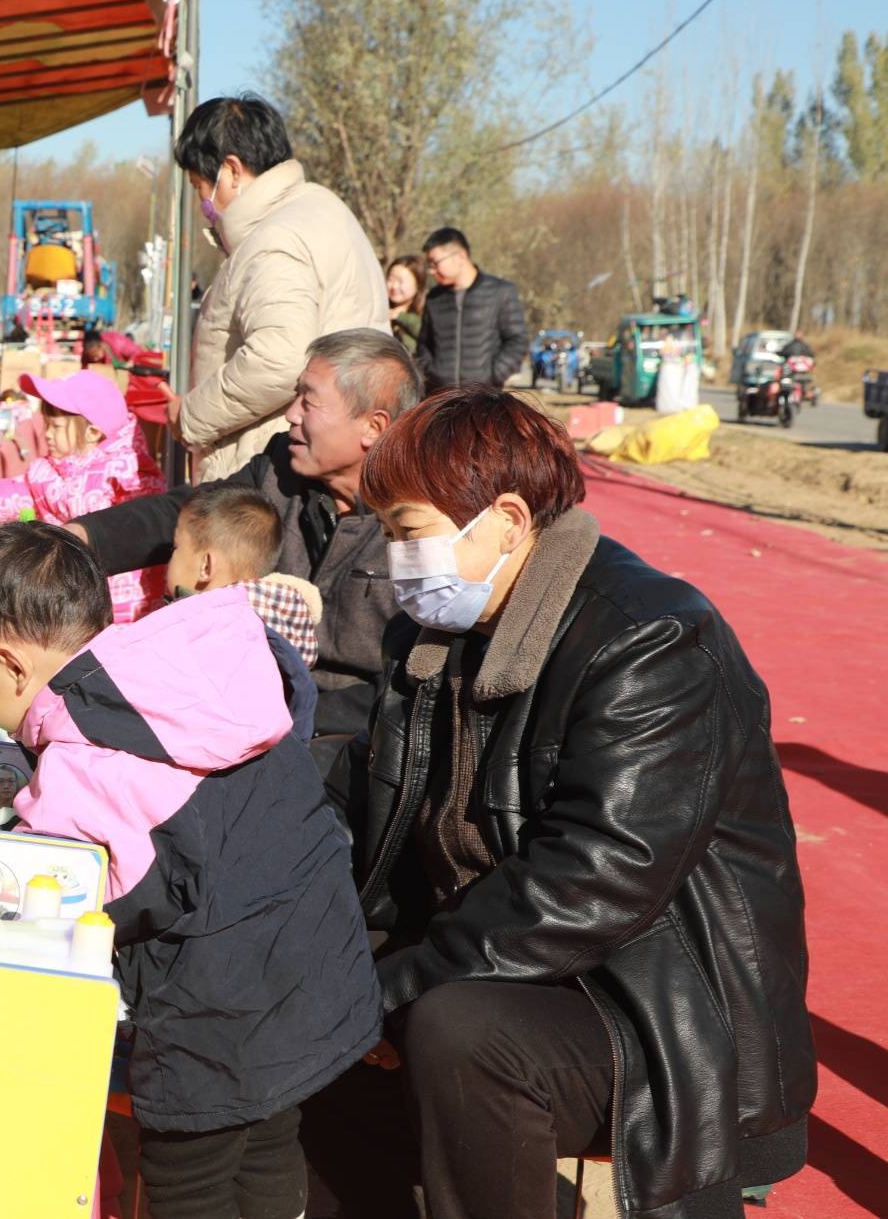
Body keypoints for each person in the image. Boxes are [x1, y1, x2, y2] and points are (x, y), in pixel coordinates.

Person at [304, 385, 814, 1219]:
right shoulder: (436, 634)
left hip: (651, 1004)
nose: (394, 561)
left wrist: (391, 987)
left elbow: (593, 878)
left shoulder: (651, 639)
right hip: (496, 957)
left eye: (409, 533)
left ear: (506, 520)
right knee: (298, 991)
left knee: (456, 1030)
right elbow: (369, 800)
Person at [0, 522, 379, 1219]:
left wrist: (16, 840)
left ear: (11, 663)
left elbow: (96, 895)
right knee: (270, 1137)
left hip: (216, 1013)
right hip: (311, 963)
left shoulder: (86, 761)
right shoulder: (187, 659)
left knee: (188, 1183)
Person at [68, 330, 422, 753]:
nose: (291, 414)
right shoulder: (279, 468)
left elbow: (408, 685)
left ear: (373, 426)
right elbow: (191, 515)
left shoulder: (422, 524)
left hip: (347, 749)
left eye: (308, 402)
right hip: (232, 717)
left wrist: (290, 719)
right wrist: (80, 539)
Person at [171, 95, 388, 481]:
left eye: (199, 185)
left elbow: (279, 359)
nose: (202, 200)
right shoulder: (319, 209)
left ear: (232, 171)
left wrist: (190, 416)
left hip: (276, 470)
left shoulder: (274, 241)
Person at [0, 371, 166, 622]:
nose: (47, 434)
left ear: (93, 432)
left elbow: (148, 532)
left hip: (131, 612)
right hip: (70, 606)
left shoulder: (129, 476)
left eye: (56, 427)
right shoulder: (48, 476)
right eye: (47, 425)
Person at [165, 486, 322, 668]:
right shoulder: (281, 635)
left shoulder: (199, 636)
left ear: (206, 567)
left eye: (175, 548)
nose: (169, 559)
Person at [415, 227, 528, 390]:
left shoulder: (500, 292)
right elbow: (424, 344)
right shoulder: (434, 298)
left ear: (460, 257)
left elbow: (518, 340)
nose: (431, 270)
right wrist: (432, 373)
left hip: (484, 399)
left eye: (435, 263)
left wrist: (492, 376)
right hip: (441, 398)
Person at [383, 255, 426, 358]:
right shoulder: (380, 308)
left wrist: (400, 317)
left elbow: (424, 332)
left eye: (401, 281)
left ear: (418, 284)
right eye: (391, 279)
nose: (394, 286)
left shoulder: (427, 311)